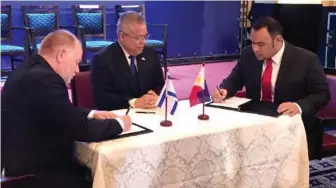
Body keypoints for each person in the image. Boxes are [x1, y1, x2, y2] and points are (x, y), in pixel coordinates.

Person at [1, 30, 132, 188]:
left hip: (20, 165)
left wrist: (92, 113)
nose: (77, 70)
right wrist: (120, 124)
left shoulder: (27, 70)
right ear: (61, 55)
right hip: (37, 176)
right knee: (110, 176)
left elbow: (59, 111)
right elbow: (81, 129)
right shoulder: (45, 80)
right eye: (76, 61)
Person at [212, 16, 330, 158]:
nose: (255, 49)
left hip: (289, 126)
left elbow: (322, 94)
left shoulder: (306, 60)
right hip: (255, 122)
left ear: (278, 40)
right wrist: (225, 89)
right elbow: (235, 78)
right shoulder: (248, 54)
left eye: (261, 44)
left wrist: (298, 106)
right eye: (253, 42)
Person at [90, 11, 164, 110]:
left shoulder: (150, 54)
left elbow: (160, 85)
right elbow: (102, 97)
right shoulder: (102, 59)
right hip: (118, 116)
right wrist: (134, 102)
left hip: (150, 113)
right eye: (137, 37)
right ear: (122, 36)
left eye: (145, 36)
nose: (143, 42)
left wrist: (156, 96)